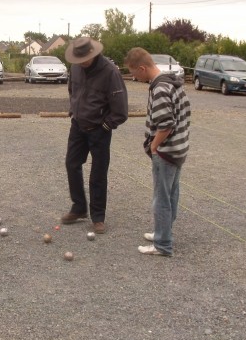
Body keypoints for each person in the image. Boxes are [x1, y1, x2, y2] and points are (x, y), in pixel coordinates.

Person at [124, 47, 191, 257]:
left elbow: (166, 125)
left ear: (142, 68)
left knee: (161, 198)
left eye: (135, 73)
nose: (135, 77)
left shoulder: (160, 89)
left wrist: (154, 146)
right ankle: (164, 232)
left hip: (166, 152)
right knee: (171, 194)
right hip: (179, 149)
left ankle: (163, 245)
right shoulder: (172, 83)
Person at [61, 37, 128, 234]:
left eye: (84, 59)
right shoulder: (75, 68)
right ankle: (79, 208)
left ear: (93, 54)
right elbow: (72, 90)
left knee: (98, 173)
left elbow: (121, 109)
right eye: (78, 60)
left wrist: (106, 126)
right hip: (78, 125)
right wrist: (74, 110)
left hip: (99, 130)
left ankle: (98, 216)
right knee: (71, 164)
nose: (81, 63)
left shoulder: (110, 72)